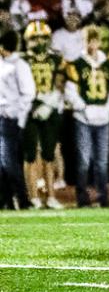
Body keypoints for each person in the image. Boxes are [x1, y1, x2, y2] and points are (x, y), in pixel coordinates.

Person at [65, 28, 109, 207]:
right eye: (88, 40)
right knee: (84, 160)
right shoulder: (76, 64)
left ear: (99, 42)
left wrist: (107, 108)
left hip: (103, 117)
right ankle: (82, 197)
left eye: (94, 40)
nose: (91, 44)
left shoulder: (108, 64)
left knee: (102, 160)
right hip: (83, 118)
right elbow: (70, 91)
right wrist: (84, 108)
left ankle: (103, 196)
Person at [21, 18, 63, 207]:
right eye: (35, 38)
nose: (39, 42)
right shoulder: (21, 60)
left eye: (42, 38)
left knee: (49, 153)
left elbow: (61, 84)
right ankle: (33, 196)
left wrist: (51, 101)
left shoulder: (56, 58)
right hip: (29, 108)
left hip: (49, 107)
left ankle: (51, 195)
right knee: (30, 154)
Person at [0, 28, 35, 209]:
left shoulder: (19, 65)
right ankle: (6, 201)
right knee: (2, 162)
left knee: (8, 161)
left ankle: (23, 198)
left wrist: (19, 118)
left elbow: (28, 93)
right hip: (3, 116)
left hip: (9, 119)